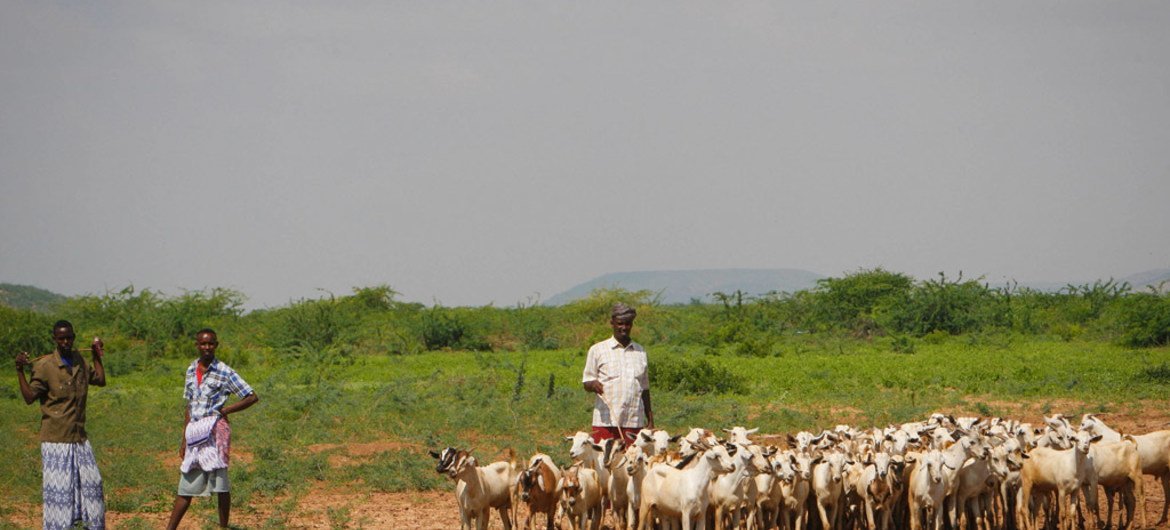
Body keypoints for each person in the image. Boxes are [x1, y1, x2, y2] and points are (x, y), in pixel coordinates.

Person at [15, 320, 107, 530]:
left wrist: (96, 355)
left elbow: (100, 380)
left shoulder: (79, 361)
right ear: (54, 339)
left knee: (93, 485)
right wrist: (19, 370)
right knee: (61, 495)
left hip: (79, 438)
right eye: (61, 338)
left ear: (74, 337)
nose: (66, 342)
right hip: (56, 441)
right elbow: (30, 397)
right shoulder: (45, 366)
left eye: (69, 337)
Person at [166, 328, 258, 530]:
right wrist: (184, 440)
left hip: (216, 432)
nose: (206, 347)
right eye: (203, 344)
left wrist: (225, 410)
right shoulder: (191, 370)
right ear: (197, 345)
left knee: (221, 485)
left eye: (210, 344)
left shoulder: (224, 371)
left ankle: (223, 527)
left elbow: (251, 396)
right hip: (195, 432)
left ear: (216, 345)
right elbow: (189, 406)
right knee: (186, 484)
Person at [581, 302, 654, 444]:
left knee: (631, 463)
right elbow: (586, 382)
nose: (624, 328)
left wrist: (650, 420)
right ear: (612, 323)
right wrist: (593, 384)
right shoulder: (597, 350)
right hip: (606, 421)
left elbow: (644, 389)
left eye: (628, 324)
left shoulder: (640, 351)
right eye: (620, 323)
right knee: (605, 463)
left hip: (634, 421)